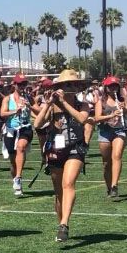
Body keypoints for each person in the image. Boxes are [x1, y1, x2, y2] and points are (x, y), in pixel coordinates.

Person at [33, 70, 90, 242]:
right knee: (59, 192)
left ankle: (64, 223)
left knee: (68, 183)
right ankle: (61, 224)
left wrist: (64, 103)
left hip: (75, 147)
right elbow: (37, 124)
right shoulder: (53, 105)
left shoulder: (83, 105)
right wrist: (49, 104)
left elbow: (81, 119)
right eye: (66, 84)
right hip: (56, 149)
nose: (70, 87)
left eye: (73, 84)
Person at [95, 76, 127, 199]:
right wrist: (111, 115)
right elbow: (97, 118)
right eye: (111, 86)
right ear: (106, 87)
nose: (113, 88)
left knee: (117, 156)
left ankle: (115, 185)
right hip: (105, 131)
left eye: (115, 85)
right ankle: (109, 187)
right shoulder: (101, 101)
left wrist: (125, 108)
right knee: (106, 163)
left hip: (120, 130)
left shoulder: (122, 99)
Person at [0, 73, 34, 197]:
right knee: (13, 161)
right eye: (19, 84)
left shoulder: (29, 97)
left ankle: (18, 177)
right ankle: (16, 180)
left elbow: (39, 110)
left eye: (24, 84)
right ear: (14, 85)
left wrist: (31, 106)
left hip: (25, 128)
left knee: (21, 147)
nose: (22, 86)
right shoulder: (8, 99)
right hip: (11, 130)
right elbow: (2, 114)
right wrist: (15, 111)